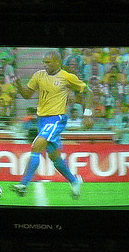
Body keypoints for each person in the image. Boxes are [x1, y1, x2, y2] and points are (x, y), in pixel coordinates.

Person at [10, 50, 93, 198]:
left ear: (57, 62)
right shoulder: (39, 76)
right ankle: (74, 181)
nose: (45, 65)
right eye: (44, 62)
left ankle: (23, 185)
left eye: (48, 62)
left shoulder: (67, 77)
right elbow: (27, 95)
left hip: (57, 119)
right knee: (55, 158)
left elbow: (89, 92)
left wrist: (87, 114)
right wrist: (18, 84)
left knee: (36, 146)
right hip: (42, 120)